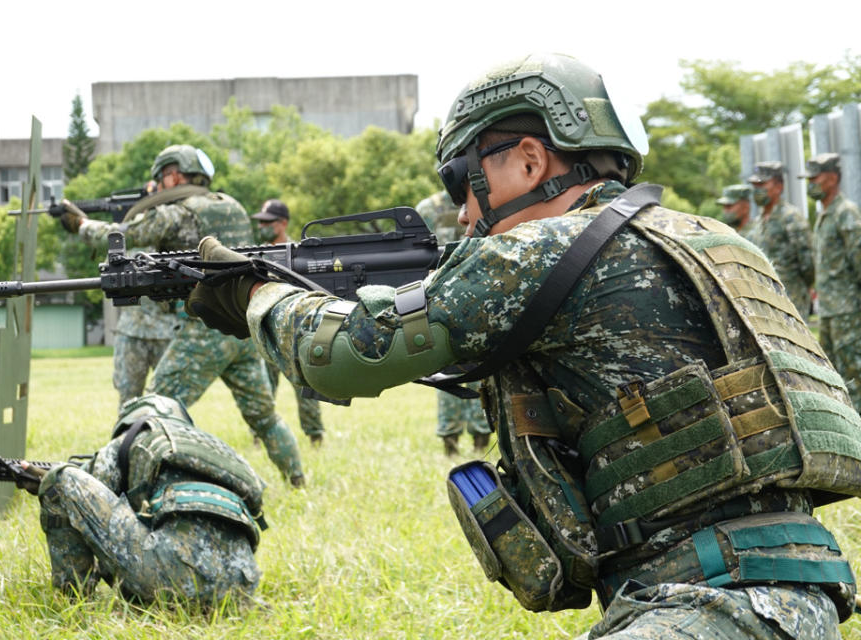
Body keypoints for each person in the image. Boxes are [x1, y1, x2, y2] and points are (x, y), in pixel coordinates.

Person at [185, 54, 861, 638]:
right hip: (798, 593)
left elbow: (340, 356)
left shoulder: (538, 248)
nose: (464, 214)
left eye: (461, 181)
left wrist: (253, 295)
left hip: (710, 603)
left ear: (532, 160)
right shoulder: (718, 239)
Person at [60, 144, 304, 486]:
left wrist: (81, 224)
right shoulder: (230, 205)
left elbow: (120, 236)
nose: (157, 187)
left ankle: (118, 484)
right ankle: (297, 480)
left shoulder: (177, 212)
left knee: (150, 410)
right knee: (264, 415)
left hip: (207, 331)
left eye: (160, 179)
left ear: (174, 175)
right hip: (244, 327)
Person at [29, 393, 265, 606]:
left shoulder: (132, 439)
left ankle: (74, 600)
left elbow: (92, 496)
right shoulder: (218, 451)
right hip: (243, 587)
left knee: (60, 480)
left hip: (171, 580)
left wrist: (47, 480)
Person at [415, 190, 491, 455]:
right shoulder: (427, 209)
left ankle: (477, 436)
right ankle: (452, 440)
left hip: (473, 295)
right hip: (452, 295)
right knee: (450, 368)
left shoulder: (483, 199)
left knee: (477, 369)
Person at [251, 199, 325, 446]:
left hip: (296, 330)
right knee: (264, 387)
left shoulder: (299, 252)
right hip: (268, 327)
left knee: (306, 387)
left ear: (282, 223)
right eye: (260, 222)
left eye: (267, 222)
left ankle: (315, 435)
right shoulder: (257, 255)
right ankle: (260, 436)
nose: (262, 226)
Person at [802, 152, 861, 412]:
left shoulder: (845, 212)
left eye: (816, 178)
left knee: (855, 376)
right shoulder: (826, 214)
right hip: (829, 311)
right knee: (834, 378)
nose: (810, 183)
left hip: (847, 311)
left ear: (833, 178)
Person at [746, 161, 815, 319]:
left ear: (778, 187)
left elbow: (808, 263)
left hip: (791, 299)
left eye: (762, 184)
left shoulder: (791, 217)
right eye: (755, 186)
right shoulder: (758, 222)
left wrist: (801, 287)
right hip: (765, 301)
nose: (757, 190)